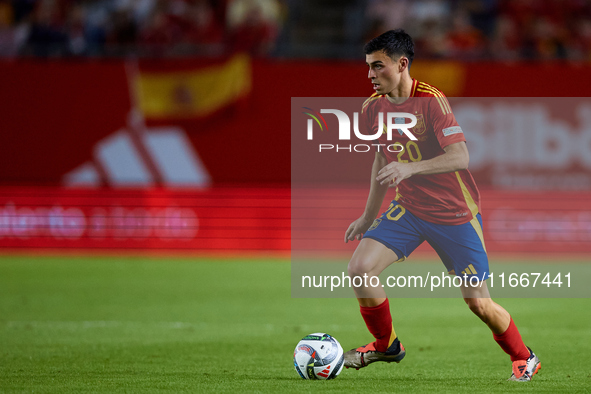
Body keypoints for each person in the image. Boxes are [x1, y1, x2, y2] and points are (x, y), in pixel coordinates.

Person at [342, 29, 541, 382]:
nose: (370, 75)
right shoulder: (372, 109)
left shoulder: (431, 101)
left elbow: (460, 156)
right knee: (360, 270)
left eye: (378, 66)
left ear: (402, 64)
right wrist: (368, 216)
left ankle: (525, 357)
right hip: (410, 210)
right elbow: (380, 160)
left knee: (479, 304)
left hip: (454, 215)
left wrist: (410, 167)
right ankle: (385, 344)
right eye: (368, 67)